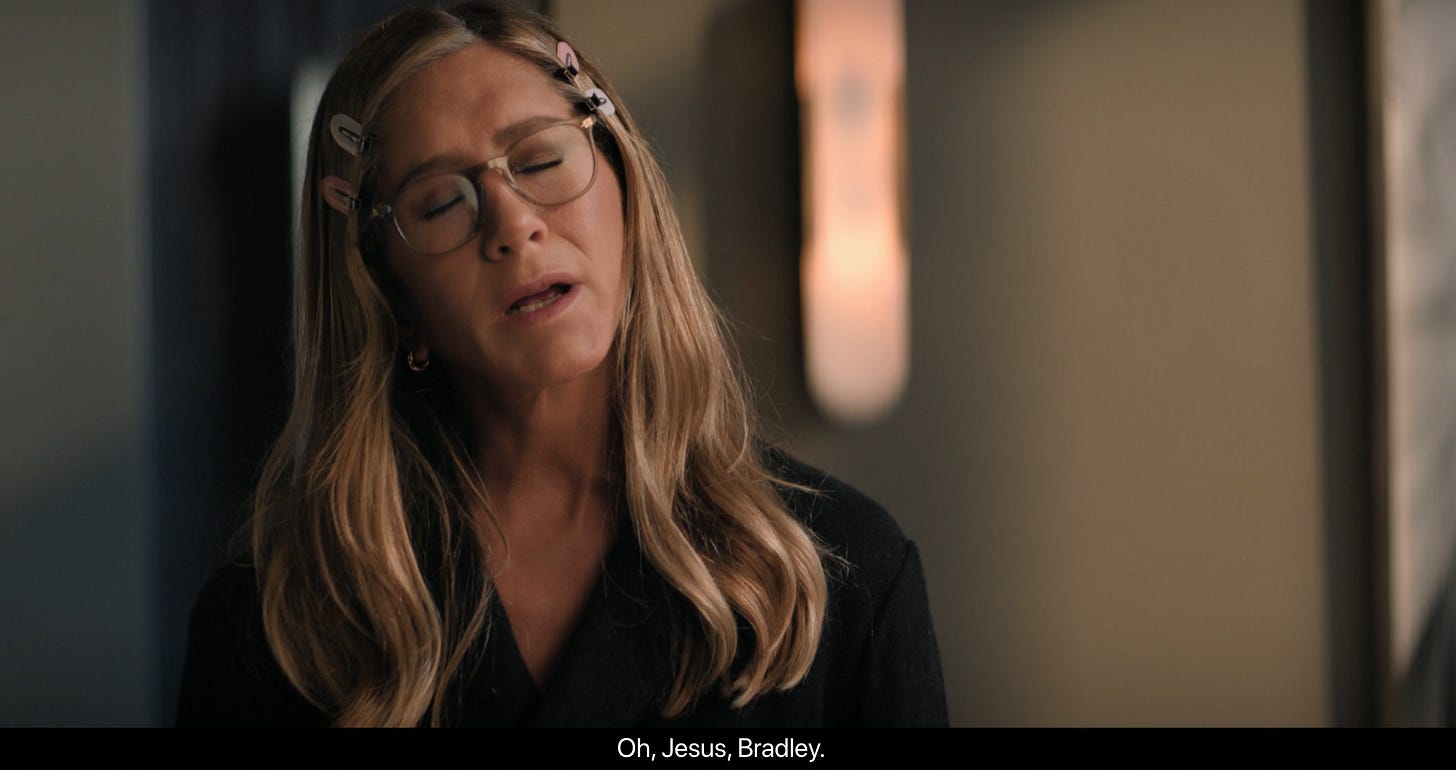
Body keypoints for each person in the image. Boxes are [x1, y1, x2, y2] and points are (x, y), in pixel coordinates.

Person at [175, 0, 947, 728]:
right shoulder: (278, 628)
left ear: (627, 191)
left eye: (542, 160)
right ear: (390, 296)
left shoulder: (843, 573)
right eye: (440, 204)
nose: (514, 226)